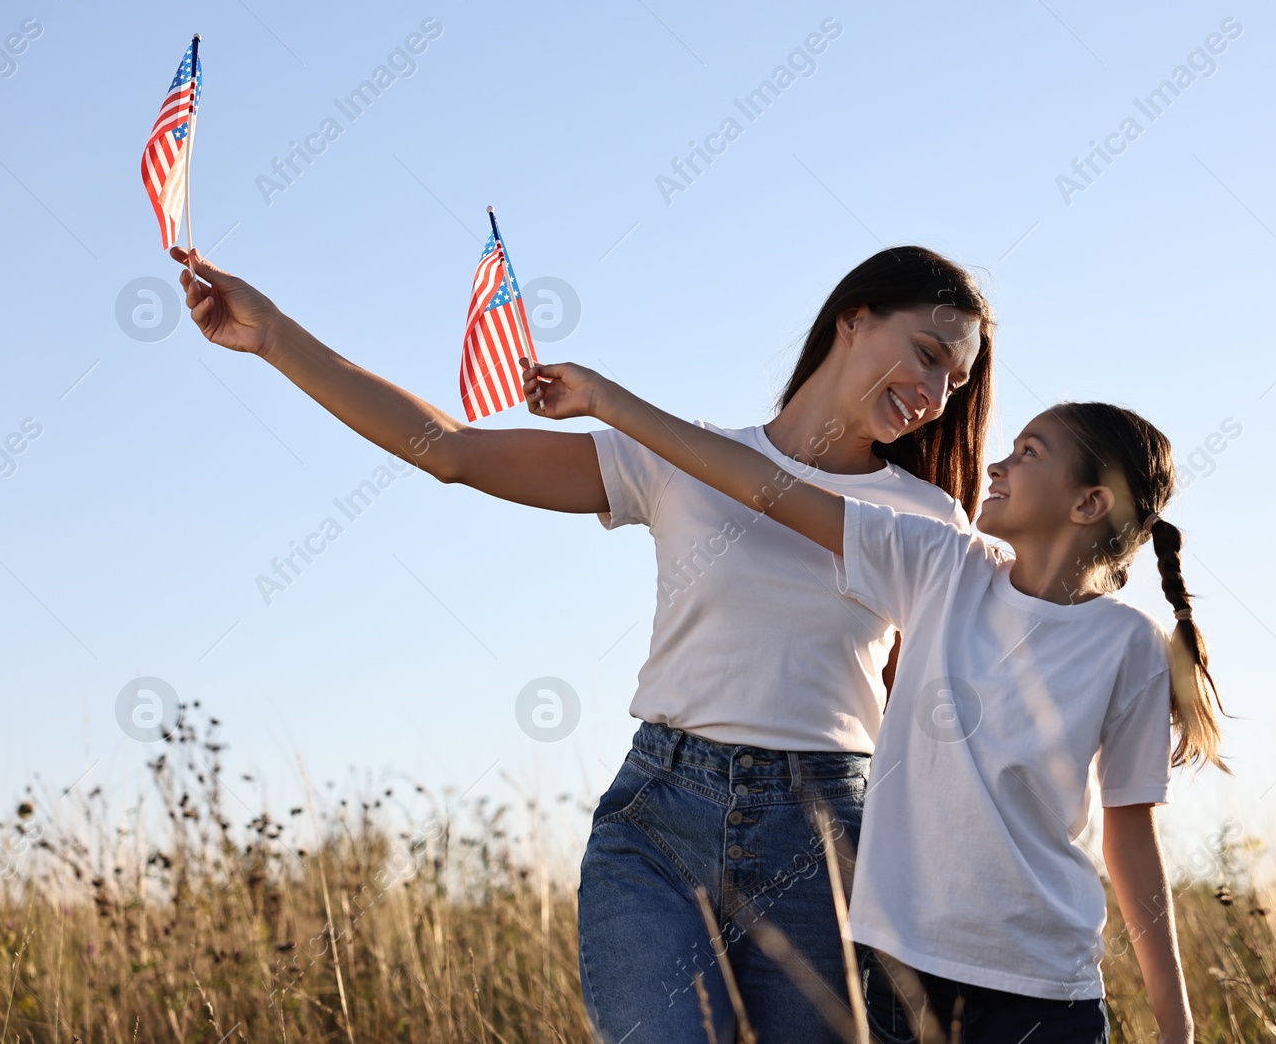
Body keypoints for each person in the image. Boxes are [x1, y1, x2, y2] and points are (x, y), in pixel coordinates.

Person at [169, 243, 996, 1043]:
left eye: (952, 381)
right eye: (925, 354)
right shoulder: (677, 457)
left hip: (822, 839)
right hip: (661, 819)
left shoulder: (929, 522)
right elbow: (452, 453)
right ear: (853, 319)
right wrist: (274, 335)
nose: (932, 392)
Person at [521, 359, 1230, 1044]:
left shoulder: (1133, 644)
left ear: (1087, 503)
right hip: (902, 977)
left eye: (1029, 453)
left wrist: (1176, 1022)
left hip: (1048, 993)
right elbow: (767, 485)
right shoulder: (940, 565)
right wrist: (611, 403)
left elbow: (1130, 835)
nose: (998, 465)